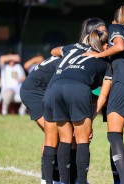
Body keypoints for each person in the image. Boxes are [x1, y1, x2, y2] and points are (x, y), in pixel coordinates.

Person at [84, 5, 124, 184]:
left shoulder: (116, 28)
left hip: (123, 83)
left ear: (115, 21)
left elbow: (118, 46)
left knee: (114, 134)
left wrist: (98, 55)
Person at [46, 17, 108, 184]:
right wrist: (91, 116)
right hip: (77, 88)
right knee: (82, 140)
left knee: (65, 139)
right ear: (105, 46)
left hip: (55, 87)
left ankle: (64, 182)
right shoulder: (104, 60)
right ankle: (81, 181)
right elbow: (102, 95)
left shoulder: (72, 48)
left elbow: (54, 51)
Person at [20, 55, 61, 184]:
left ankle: (53, 178)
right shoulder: (68, 60)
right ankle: (46, 179)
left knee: (54, 135)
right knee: (53, 134)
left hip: (39, 91)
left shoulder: (67, 54)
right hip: (33, 92)